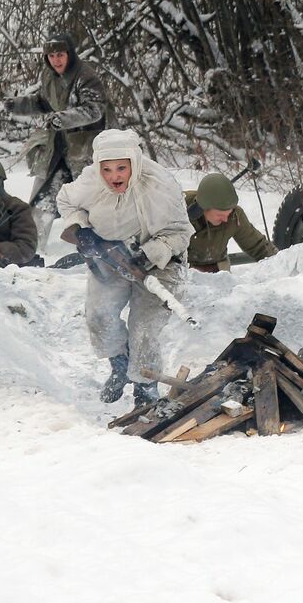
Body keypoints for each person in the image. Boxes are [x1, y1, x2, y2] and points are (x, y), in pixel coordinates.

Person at [57, 129, 194, 406]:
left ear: (134, 162)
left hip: (162, 262)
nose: (113, 176)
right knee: (99, 315)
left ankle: (145, 386)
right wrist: (82, 232)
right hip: (111, 256)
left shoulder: (161, 185)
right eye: (106, 169)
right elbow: (67, 201)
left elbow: (180, 234)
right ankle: (120, 366)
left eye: (121, 168)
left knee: (143, 327)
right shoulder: (90, 182)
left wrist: (148, 254)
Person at [6, 34, 109, 244]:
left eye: (60, 54)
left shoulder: (85, 76)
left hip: (86, 150)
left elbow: (95, 110)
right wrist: (18, 105)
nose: (56, 60)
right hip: (58, 149)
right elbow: (44, 103)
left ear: (69, 54)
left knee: (90, 201)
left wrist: (64, 119)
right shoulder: (49, 76)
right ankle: (31, 245)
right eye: (51, 56)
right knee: (44, 197)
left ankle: (97, 246)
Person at [184, 173, 279, 273]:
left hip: (218, 271)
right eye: (219, 215)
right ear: (203, 208)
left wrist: (279, 264)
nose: (225, 219)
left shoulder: (234, 216)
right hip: (180, 271)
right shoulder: (179, 208)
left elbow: (258, 246)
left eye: (228, 214)